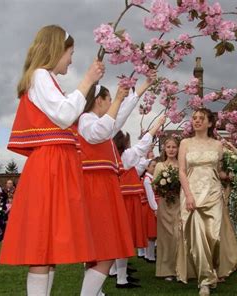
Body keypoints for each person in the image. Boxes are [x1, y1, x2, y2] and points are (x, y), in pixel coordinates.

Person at [0, 25, 104, 295]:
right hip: (50, 166)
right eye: (71, 53)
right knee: (42, 245)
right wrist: (88, 80)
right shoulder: (40, 76)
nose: (71, 59)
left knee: (47, 247)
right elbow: (65, 114)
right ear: (58, 50)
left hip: (55, 164)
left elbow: (65, 110)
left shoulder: (44, 79)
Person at [78, 73, 157, 295]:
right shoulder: (86, 121)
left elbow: (117, 118)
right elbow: (100, 131)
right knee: (106, 247)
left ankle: (95, 291)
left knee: (100, 248)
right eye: (109, 99)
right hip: (96, 190)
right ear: (99, 100)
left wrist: (141, 89)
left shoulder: (100, 124)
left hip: (102, 189)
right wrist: (120, 100)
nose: (111, 103)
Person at [176, 108, 225, 296]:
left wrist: (233, 172)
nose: (196, 121)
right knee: (196, 238)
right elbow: (181, 171)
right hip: (192, 194)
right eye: (194, 118)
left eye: (201, 118)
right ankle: (204, 281)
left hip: (213, 194)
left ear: (210, 123)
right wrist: (188, 195)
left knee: (214, 237)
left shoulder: (218, 145)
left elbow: (219, 171)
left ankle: (211, 271)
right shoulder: (185, 143)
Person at [111, 125, 163, 289]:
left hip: (115, 198)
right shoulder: (126, 156)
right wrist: (156, 126)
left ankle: (117, 272)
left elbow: (142, 161)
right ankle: (121, 278)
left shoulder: (111, 156)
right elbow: (141, 148)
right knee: (123, 237)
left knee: (116, 237)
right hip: (126, 201)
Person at [154, 136, 181, 281]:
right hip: (165, 204)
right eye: (168, 147)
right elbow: (155, 185)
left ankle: (179, 268)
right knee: (166, 237)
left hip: (179, 203)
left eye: (174, 147)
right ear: (165, 149)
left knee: (178, 235)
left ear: (178, 149)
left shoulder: (182, 165)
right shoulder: (159, 166)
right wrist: (165, 188)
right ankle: (166, 271)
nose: (171, 150)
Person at [143, 157, 159, 262]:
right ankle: (149, 256)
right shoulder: (147, 179)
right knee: (151, 233)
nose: (154, 168)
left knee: (153, 233)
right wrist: (155, 208)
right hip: (151, 208)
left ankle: (150, 255)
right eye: (153, 166)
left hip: (155, 206)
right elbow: (150, 195)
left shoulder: (153, 178)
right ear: (147, 167)